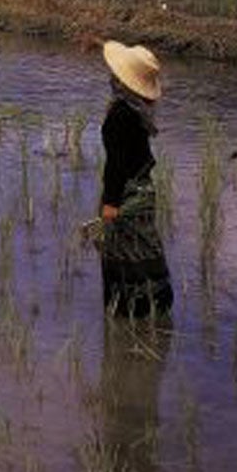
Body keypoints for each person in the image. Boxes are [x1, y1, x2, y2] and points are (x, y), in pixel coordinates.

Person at [93, 41, 173, 319]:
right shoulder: (138, 110)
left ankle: (130, 311)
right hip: (143, 189)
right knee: (145, 247)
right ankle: (154, 308)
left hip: (127, 193)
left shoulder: (120, 114)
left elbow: (117, 163)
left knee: (122, 250)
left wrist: (111, 203)